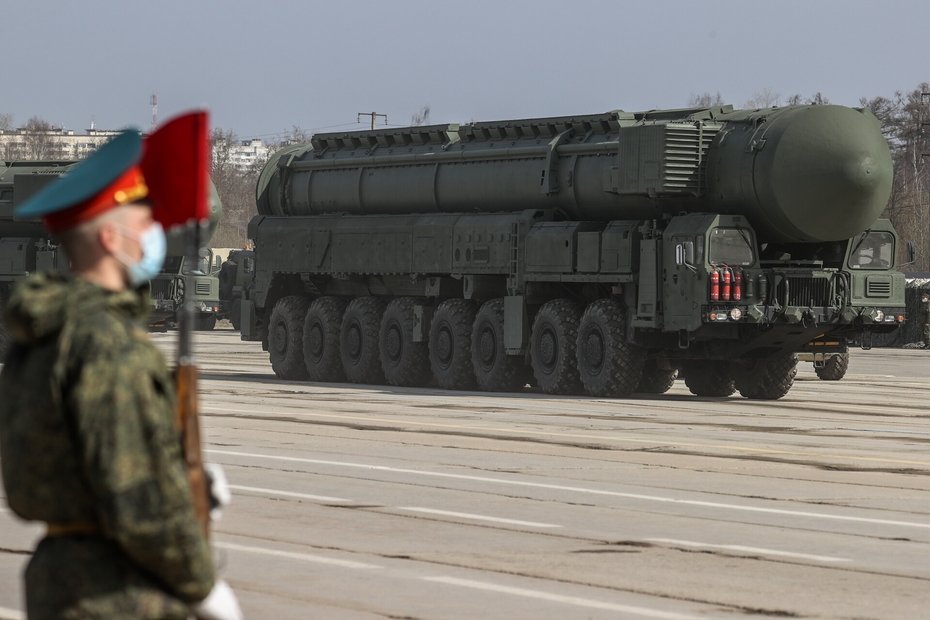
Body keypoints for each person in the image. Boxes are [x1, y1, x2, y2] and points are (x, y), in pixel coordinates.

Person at [0, 118, 241, 619]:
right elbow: (141, 504)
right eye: (141, 220)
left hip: (59, 580)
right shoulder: (110, 348)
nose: (152, 232)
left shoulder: (41, 338)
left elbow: (34, 486)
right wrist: (203, 587)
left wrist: (176, 473)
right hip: (119, 591)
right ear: (111, 238)